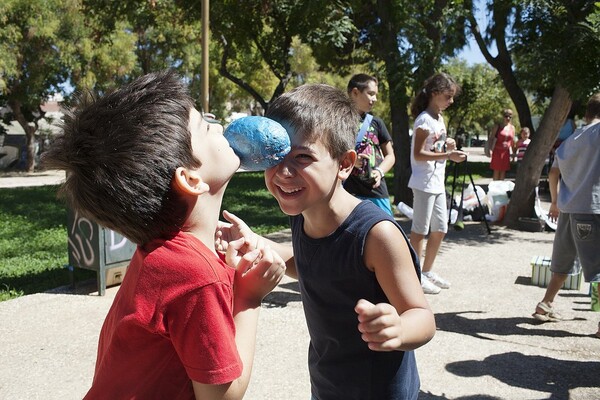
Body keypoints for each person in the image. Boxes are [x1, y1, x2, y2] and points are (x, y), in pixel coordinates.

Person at [42, 71, 286, 399]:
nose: (218, 126)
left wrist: (226, 267)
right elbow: (221, 396)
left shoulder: (164, 252)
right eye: (204, 126)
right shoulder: (195, 275)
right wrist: (249, 297)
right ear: (190, 179)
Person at [218, 83, 436, 399]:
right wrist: (256, 242)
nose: (283, 172)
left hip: (378, 391)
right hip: (328, 383)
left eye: (303, 156)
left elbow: (423, 316)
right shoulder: (302, 213)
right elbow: (306, 262)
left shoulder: (376, 235)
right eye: (275, 155)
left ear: (345, 164)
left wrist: (400, 329)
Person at [531, 92, 600, 339]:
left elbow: (553, 174)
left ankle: (545, 304)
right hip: (593, 209)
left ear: (586, 114)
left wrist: (556, 202)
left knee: (563, 262)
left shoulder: (572, 138)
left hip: (569, 208)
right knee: (598, 268)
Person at [408, 73, 467, 295]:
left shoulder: (438, 118)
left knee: (440, 228)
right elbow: (419, 154)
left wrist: (447, 145)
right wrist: (448, 156)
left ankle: (428, 270)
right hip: (424, 182)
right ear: (434, 94)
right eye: (448, 96)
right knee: (419, 231)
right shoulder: (424, 120)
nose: (451, 101)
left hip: (436, 183)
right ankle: (415, 275)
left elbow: (435, 147)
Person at [344, 73, 395, 216]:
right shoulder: (338, 122)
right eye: (371, 94)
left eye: (376, 95)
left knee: (387, 229)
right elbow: (330, 152)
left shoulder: (376, 123)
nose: (375, 99)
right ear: (355, 92)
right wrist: (351, 161)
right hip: (348, 190)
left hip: (376, 190)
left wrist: (379, 172)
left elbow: (390, 156)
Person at [489, 108, 516, 181]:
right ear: (503, 117)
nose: (508, 118)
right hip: (497, 151)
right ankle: (494, 190)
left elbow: (512, 142)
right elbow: (491, 138)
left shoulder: (512, 128)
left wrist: (513, 153)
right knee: (496, 171)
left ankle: (501, 190)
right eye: (506, 116)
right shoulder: (497, 126)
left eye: (510, 117)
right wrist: (490, 149)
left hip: (506, 152)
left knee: (503, 171)